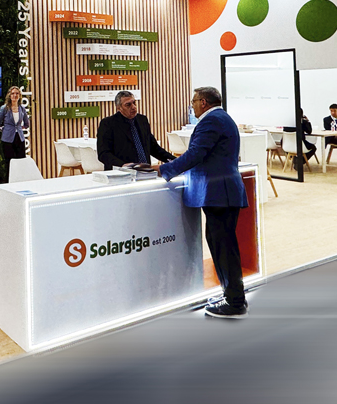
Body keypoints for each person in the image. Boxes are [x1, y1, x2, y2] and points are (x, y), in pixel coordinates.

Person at [151, 87, 249, 319]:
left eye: (194, 101)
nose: (192, 105)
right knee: (222, 246)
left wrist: (164, 170)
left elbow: (196, 153)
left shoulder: (212, 120)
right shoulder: (221, 118)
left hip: (219, 194)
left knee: (224, 248)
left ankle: (235, 302)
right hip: (221, 193)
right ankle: (231, 296)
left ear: (203, 102)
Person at [96, 91, 175, 170]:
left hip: (145, 171)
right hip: (121, 172)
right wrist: (123, 165)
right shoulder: (108, 124)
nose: (133, 107)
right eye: (128, 105)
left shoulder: (142, 120)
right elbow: (103, 154)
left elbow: (154, 148)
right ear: (119, 108)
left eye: (134, 103)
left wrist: (175, 161)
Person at [0, 86, 30, 181]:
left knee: (21, 163)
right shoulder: (4, 108)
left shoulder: (22, 108)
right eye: (13, 93)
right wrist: (5, 130)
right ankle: (9, 183)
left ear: (20, 95)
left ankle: (21, 182)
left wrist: (20, 128)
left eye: (17, 93)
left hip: (19, 138)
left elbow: (27, 124)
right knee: (9, 163)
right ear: (9, 95)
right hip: (8, 140)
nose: (15, 95)